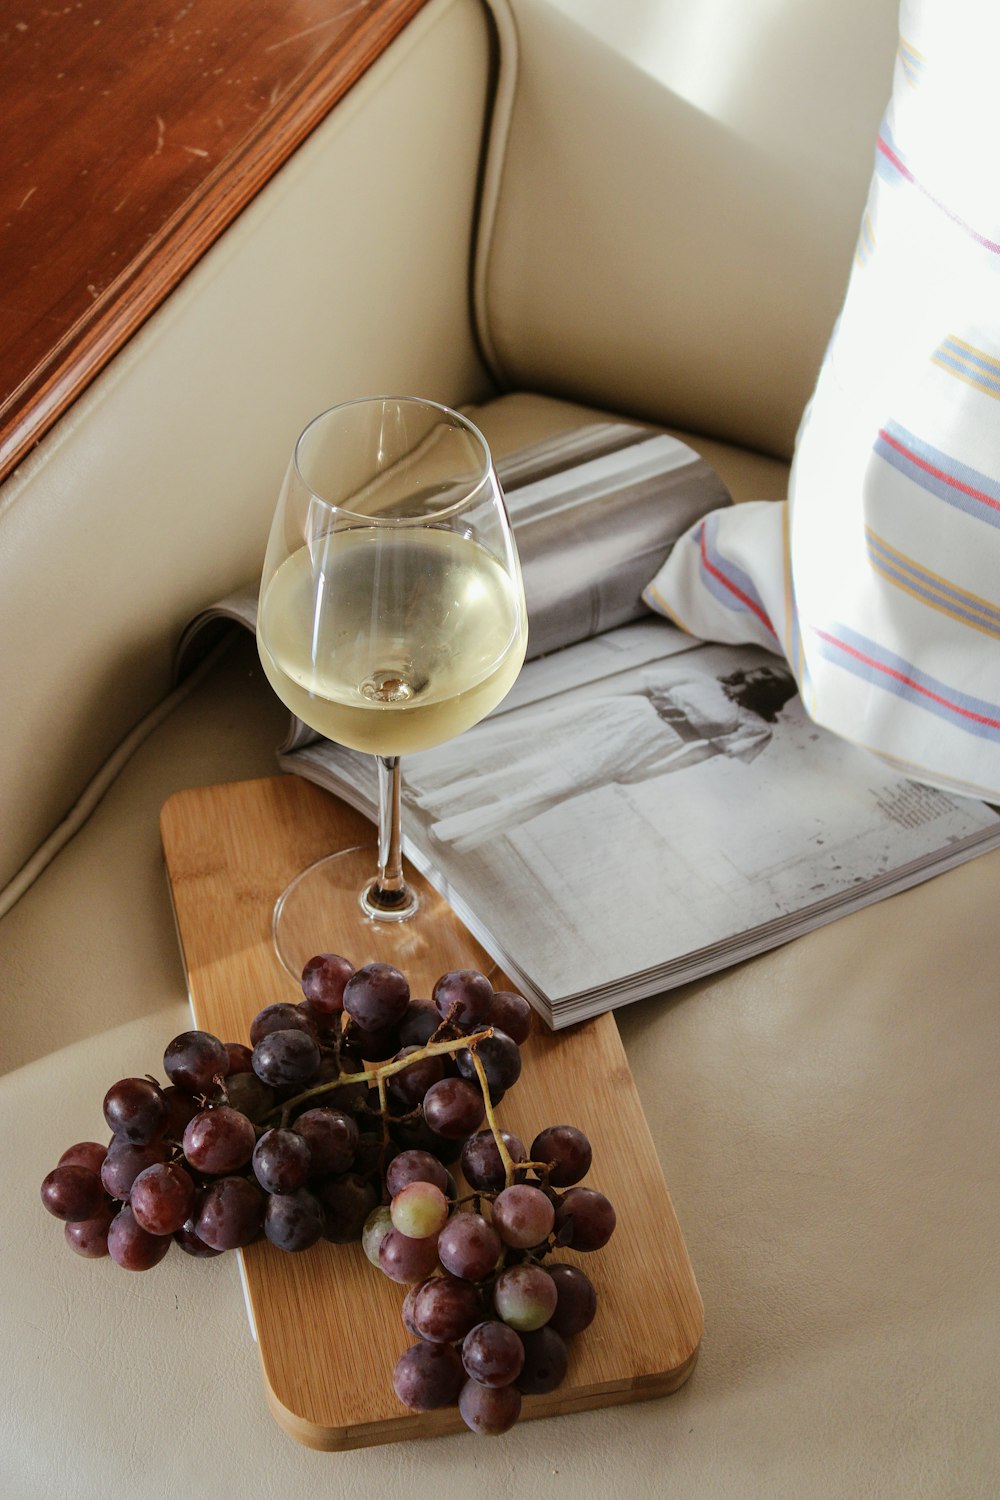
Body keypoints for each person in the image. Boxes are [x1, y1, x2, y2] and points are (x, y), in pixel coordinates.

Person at [403, 662, 798, 852]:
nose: (760, 676)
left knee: (558, 780)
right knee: (527, 745)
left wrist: (645, 771)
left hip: (650, 742)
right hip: (621, 713)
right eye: (764, 670)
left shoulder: (754, 726)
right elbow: (638, 687)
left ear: (773, 695)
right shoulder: (702, 677)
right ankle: (427, 789)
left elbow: (700, 755)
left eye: (771, 681)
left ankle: (451, 822)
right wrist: (585, 703)